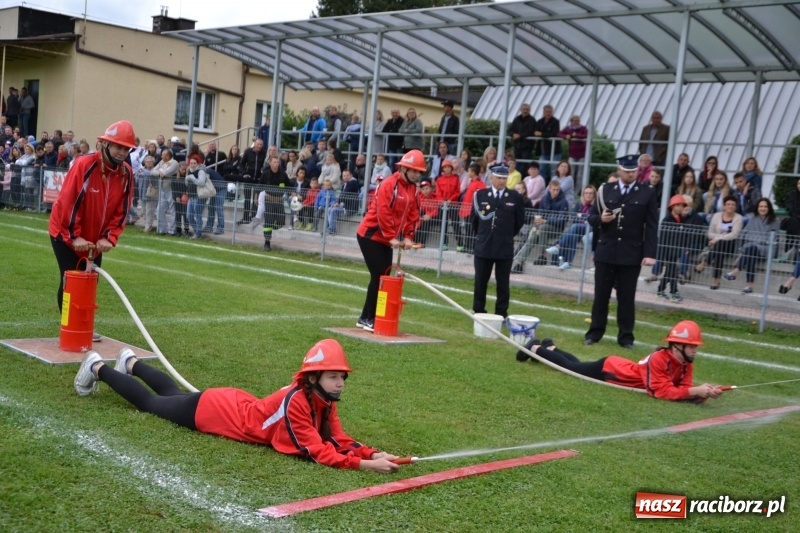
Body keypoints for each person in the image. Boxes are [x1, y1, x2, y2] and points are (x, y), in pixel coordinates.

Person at [73, 340, 401, 473]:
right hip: (216, 412)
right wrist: (364, 466)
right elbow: (317, 450)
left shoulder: (322, 398)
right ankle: (98, 368)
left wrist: (371, 453)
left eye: (341, 376)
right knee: (151, 403)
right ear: (313, 378)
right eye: (333, 377)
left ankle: (131, 363)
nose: (341, 382)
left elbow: (337, 437)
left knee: (170, 393)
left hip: (228, 402)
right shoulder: (298, 402)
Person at [48, 121, 137, 334]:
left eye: (126, 148)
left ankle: (83, 325)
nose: (122, 152)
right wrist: (73, 237)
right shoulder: (84, 165)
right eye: (118, 146)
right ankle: (70, 327)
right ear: (105, 143)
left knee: (90, 282)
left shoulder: (126, 174)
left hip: (94, 241)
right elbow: (68, 202)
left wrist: (109, 237)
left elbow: (122, 210)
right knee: (72, 280)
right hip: (64, 233)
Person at [516, 321, 724, 403]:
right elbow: (661, 392)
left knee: (578, 364)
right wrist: (694, 392)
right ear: (677, 346)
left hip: (617, 367)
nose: (696, 350)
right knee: (571, 368)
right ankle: (535, 348)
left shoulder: (686, 363)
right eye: (692, 346)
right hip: (611, 370)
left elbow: (684, 389)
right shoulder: (659, 359)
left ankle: (550, 347)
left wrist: (702, 394)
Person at [584, 155, 659, 349]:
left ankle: (626, 337)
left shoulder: (647, 192)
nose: (630, 174)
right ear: (619, 170)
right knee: (601, 296)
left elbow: (651, 226)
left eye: (633, 171)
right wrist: (602, 219)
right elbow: (591, 218)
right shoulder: (605, 190)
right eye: (626, 171)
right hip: (606, 251)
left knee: (626, 298)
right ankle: (594, 333)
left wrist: (649, 253)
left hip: (631, 253)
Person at [356, 149, 423, 332]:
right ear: (403, 169)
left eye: (419, 171)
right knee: (379, 277)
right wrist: (391, 236)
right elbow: (382, 212)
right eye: (414, 170)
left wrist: (409, 236)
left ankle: (365, 317)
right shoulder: (388, 184)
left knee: (384, 277)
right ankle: (370, 318)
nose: (417, 174)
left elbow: (413, 214)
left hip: (387, 239)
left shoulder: (413, 190)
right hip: (370, 235)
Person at [471, 165, 525, 317]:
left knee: (503, 283)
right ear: (491, 178)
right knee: (480, 281)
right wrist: (484, 235)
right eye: (499, 178)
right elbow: (474, 220)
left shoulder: (515, 197)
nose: (502, 181)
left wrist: (506, 235)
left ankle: (501, 312)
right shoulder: (480, 195)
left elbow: (519, 222)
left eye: (504, 178)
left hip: (504, 246)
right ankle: (478, 310)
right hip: (484, 245)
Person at [723, 198, 780, 294]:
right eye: (761, 206)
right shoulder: (753, 218)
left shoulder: (775, 220)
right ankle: (749, 286)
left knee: (751, 249)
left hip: (767, 248)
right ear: (757, 208)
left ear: (769, 208)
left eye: (765, 206)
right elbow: (745, 234)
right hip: (752, 248)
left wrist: (754, 240)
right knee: (751, 252)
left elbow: (771, 238)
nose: (763, 208)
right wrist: (754, 241)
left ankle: (736, 271)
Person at [545, 185, 597, 270]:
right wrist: (583, 218)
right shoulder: (580, 204)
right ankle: (568, 262)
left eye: (591, 193)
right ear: (583, 195)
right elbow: (573, 216)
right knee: (573, 236)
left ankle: (558, 246)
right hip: (579, 230)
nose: (588, 195)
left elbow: (591, 220)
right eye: (586, 193)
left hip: (590, 229)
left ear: (594, 195)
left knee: (575, 226)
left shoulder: (595, 206)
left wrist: (581, 217)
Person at [703, 195, 743, 290]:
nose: (730, 206)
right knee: (719, 251)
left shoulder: (739, 218)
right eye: (728, 204)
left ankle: (705, 262)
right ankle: (716, 280)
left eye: (733, 204)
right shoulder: (716, 216)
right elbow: (710, 233)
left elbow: (734, 235)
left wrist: (718, 238)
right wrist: (719, 238)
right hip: (717, 245)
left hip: (731, 245)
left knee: (719, 245)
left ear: (736, 207)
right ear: (724, 206)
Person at [655, 195, 690, 303]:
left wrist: (684, 246)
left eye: (682, 206)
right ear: (672, 206)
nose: (680, 208)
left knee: (670, 271)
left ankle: (661, 289)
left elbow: (683, 235)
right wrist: (662, 251)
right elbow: (663, 237)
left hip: (676, 249)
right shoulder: (667, 219)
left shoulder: (680, 219)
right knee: (673, 271)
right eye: (678, 205)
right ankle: (674, 292)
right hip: (669, 249)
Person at [557, 114, 588, 186]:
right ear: (571, 122)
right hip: (572, 154)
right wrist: (565, 136)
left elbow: (586, 135)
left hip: (582, 154)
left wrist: (576, 135)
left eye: (578, 121)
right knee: (571, 173)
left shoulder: (583, 128)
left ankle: (578, 191)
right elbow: (559, 134)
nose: (576, 122)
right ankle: (571, 188)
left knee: (580, 174)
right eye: (575, 121)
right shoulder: (568, 129)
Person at [533, 104, 560, 181]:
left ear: (552, 112)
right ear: (543, 112)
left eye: (550, 112)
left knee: (554, 170)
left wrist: (542, 134)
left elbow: (554, 133)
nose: (548, 113)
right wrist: (540, 134)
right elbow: (535, 132)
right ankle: (541, 186)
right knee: (541, 168)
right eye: (546, 112)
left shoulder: (555, 122)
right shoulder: (540, 121)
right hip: (543, 150)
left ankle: (553, 187)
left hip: (555, 150)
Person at [508, 103, 536, 175]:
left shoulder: (532, 120)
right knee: (516, 164)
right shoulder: (516, 119)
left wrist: (520, 136)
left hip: (527, 146)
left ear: (529, 110)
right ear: (521, 110)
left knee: (525, 165)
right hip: (517, 146)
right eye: (524, 109)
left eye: (527, 109)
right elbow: (510, 129)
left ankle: (523, 179)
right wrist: (513, 134)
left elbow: (531, 131)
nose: (525, 111)